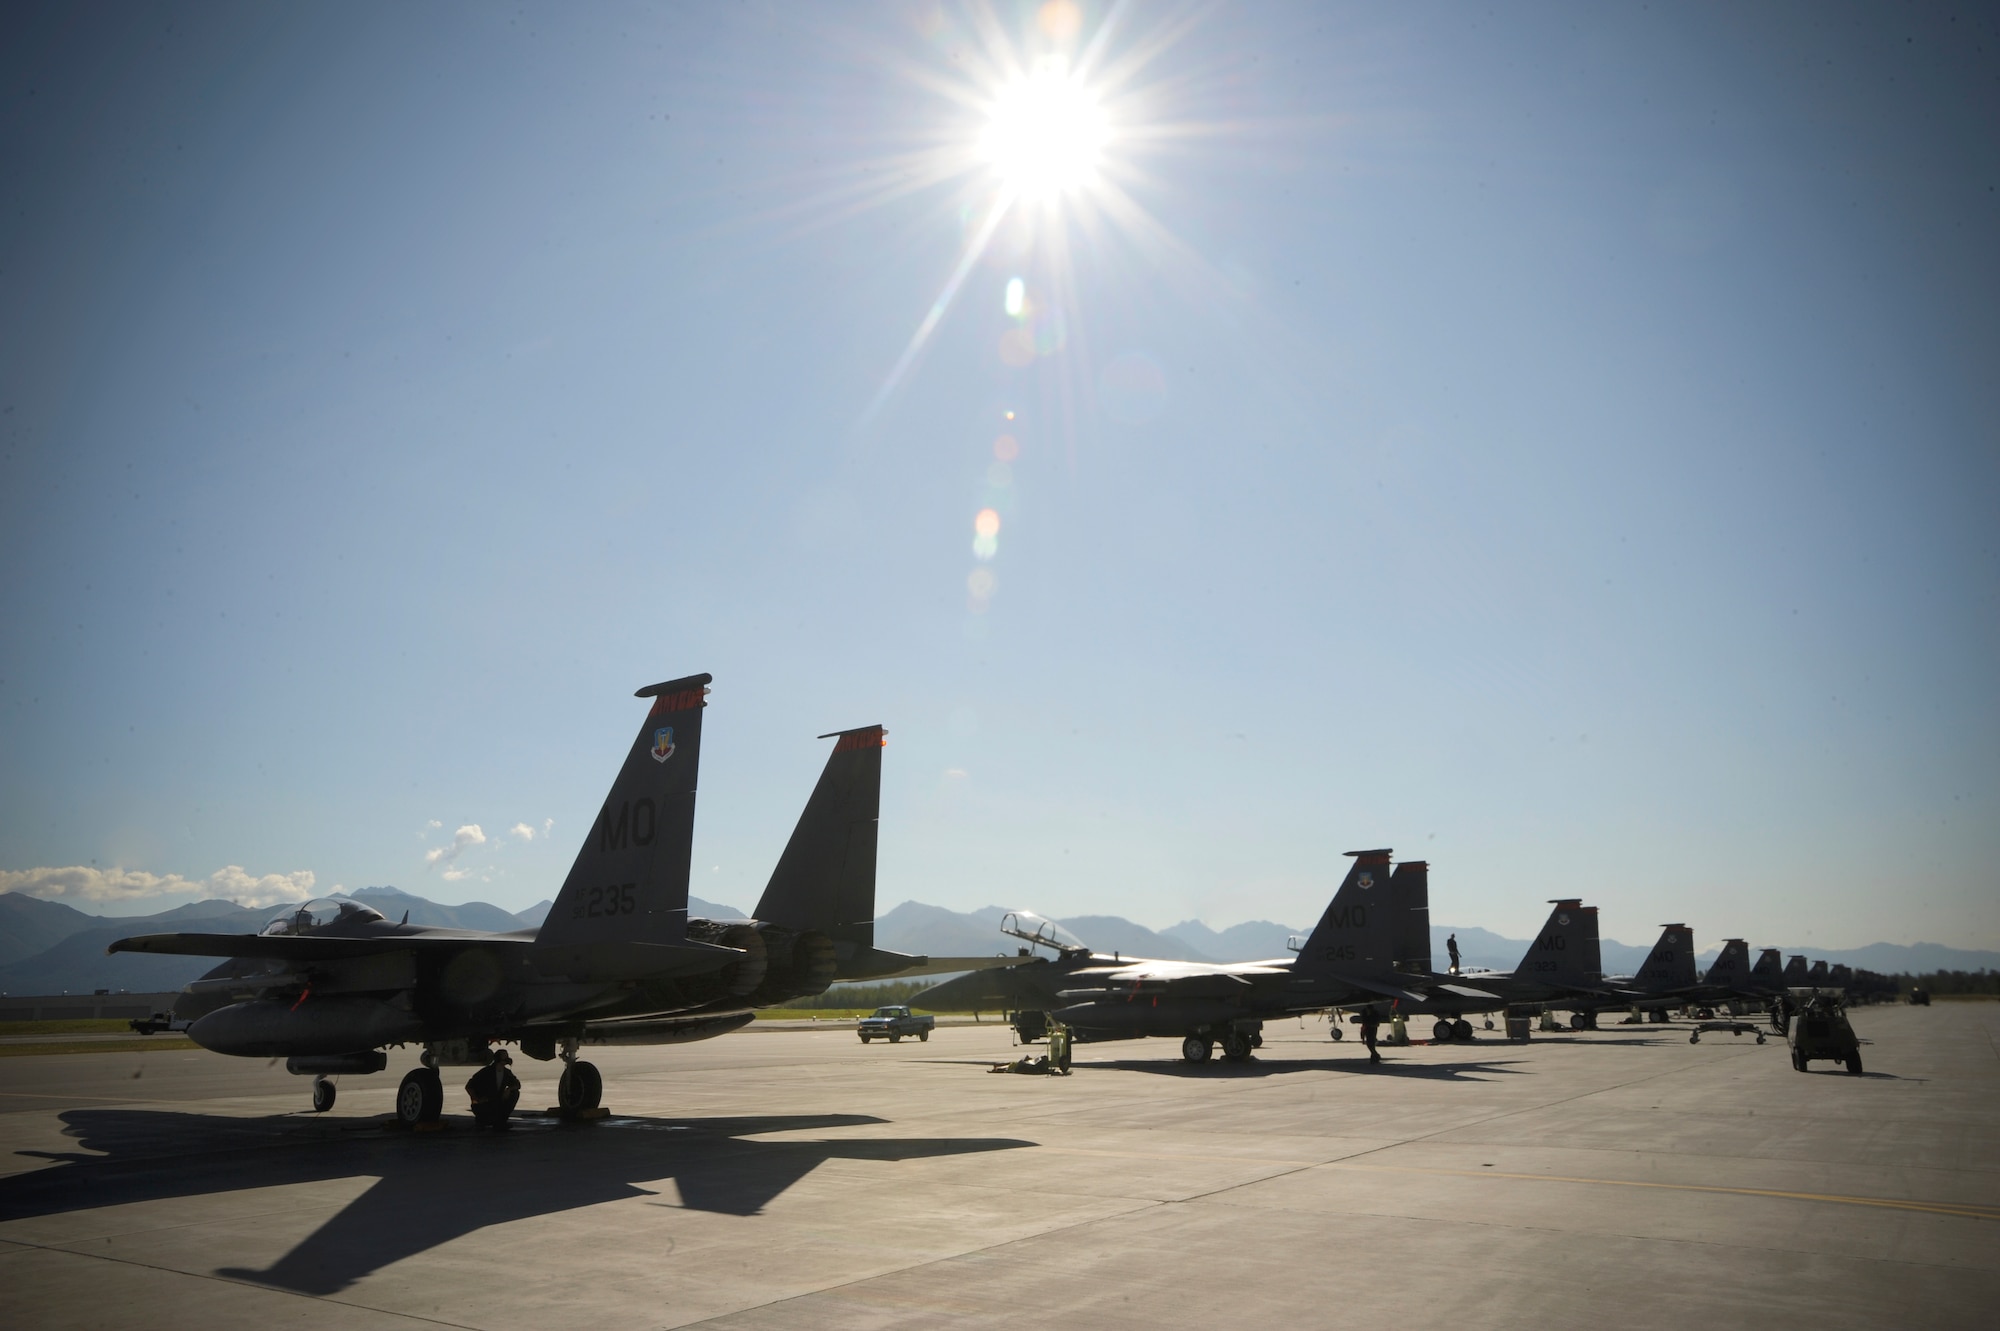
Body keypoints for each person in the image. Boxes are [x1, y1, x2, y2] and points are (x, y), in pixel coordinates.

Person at [465, 1048, 521, 1129]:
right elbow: (469, 1086)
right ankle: (483, 1120)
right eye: (504, 1057)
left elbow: (517, 1084)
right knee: (485, 1118)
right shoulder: (486, 1072)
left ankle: (501, 1121)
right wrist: (476, 1099)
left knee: (515, 1093)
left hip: (497, 1101)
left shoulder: (506, 1072)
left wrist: (509, 1089)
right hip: (485, 1103)